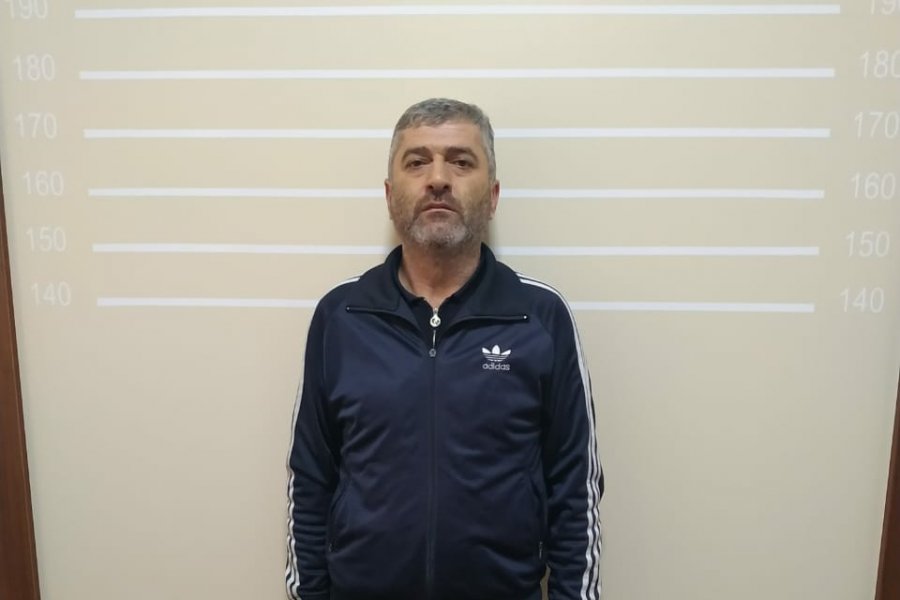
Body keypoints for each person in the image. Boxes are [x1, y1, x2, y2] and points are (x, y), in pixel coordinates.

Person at [285, 98, 603, 600]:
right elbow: (309, 480)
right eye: (417, 162)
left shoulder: (540, 317)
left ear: (492, 196)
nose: (437, 179)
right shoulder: (341, 317)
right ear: (390, 195)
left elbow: (575, 487)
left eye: (460, 161)